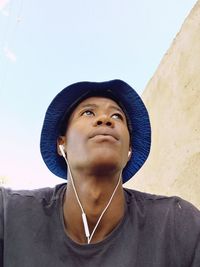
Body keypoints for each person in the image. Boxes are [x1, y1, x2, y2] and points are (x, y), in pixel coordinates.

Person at [0, 79, 200, 266]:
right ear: (62, 142)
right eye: (88, 113)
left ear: (130, 149)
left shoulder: (177, 224)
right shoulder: (8, 214)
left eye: (116, 116)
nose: (105, 119)